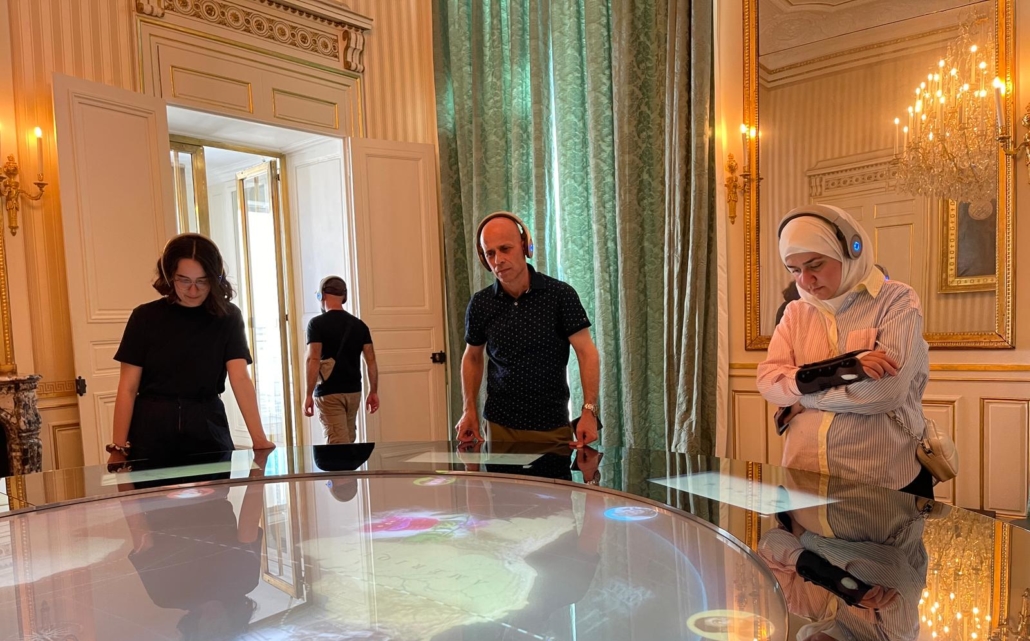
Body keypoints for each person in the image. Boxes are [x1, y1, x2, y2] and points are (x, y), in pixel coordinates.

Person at [756, 204, 932, 498]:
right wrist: (842, 370)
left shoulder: (897, 300)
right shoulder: (795, 312)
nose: (804, 281)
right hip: (804, 476)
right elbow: (768, 383)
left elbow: (884, 394)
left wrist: (803, 398)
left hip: (882, 481)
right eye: (794, 270)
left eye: (815, 265)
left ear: (851, 250)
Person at [108, 233, 275, 471]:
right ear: (169, 276)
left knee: (215, 495)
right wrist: (118, 447)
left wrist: (259, 439)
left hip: (207, 427)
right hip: (151, 431)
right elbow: (128, 386)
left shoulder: (228, 317)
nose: (194, 290)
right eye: (184, 280)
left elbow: (239, 378)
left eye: (203, 281)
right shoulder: (144, 317)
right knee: (153, 496)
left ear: (215, 279)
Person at [455, 211, 600, 448]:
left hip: (551, 424)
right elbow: (472, 357)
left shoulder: (560, 295)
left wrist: (589, 410)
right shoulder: (481, 303)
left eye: (505, 249)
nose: (498, 260)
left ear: (525, 246)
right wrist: (468, 409)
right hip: (499, 426)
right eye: (490, 253)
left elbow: (587, 353)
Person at [303, 275, 379, 444]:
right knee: (348, 440)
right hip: (353, 392)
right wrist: (373, 391)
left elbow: (313, 359)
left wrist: (308, 394)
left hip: (329, 393)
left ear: (321, 295)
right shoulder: (359, 325)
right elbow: (371, 361)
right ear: (344, 297)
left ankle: (340, 463)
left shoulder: (316, 324)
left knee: (338, 444)